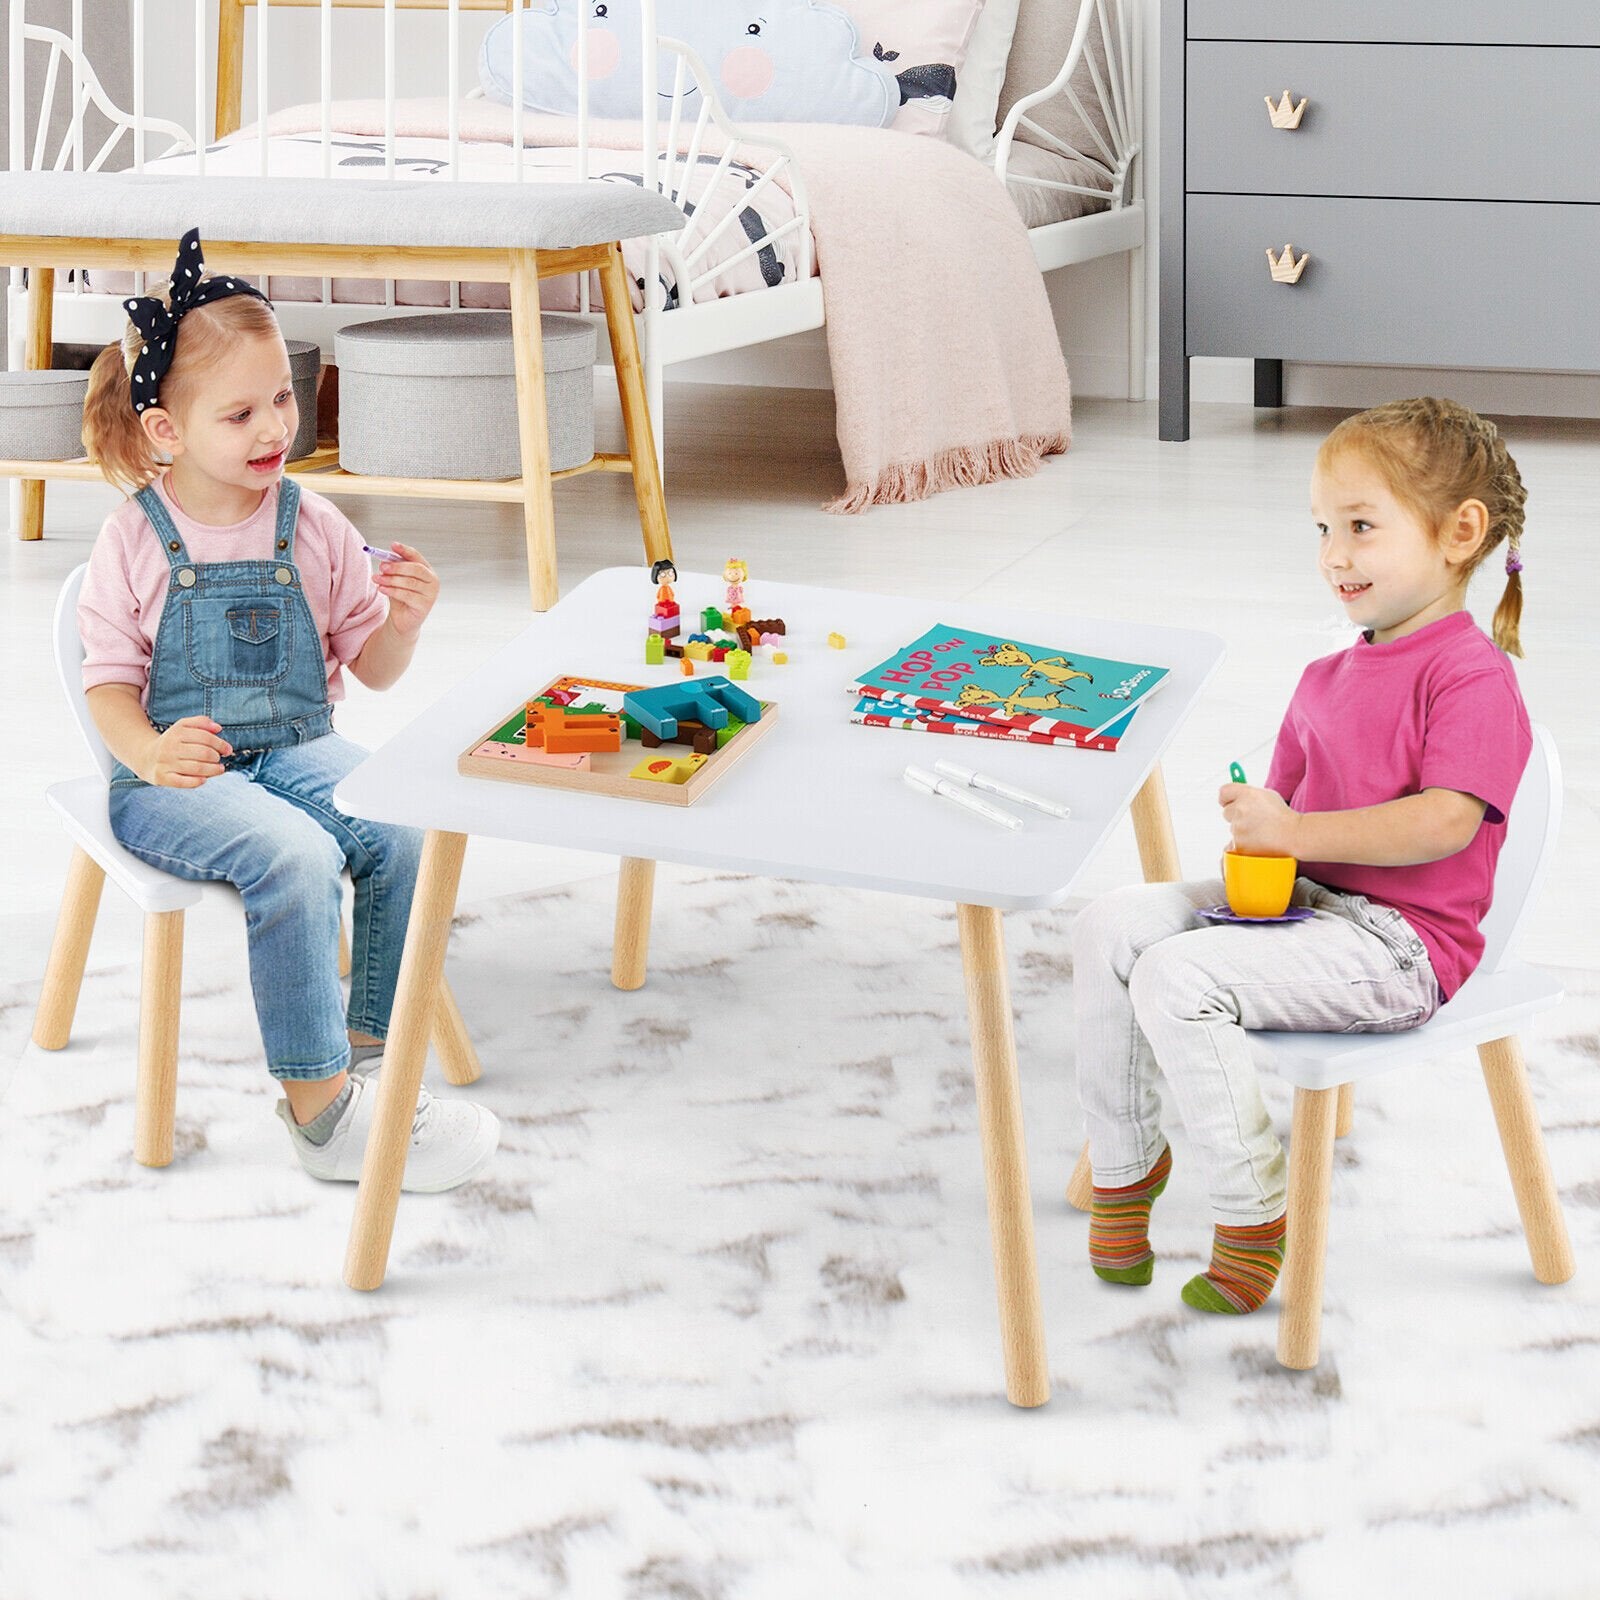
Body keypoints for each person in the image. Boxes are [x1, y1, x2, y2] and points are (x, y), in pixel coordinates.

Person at [1072, 397, 1532, 1313]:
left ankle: (1251, 1214)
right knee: (1111, 922)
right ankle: (1129, 1164)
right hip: (1314, 911)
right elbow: (1285, 818)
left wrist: (1295, 835)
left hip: (1402, 950)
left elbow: (1445, 821)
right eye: (1323, 528)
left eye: (1362, 526)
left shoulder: (1472, 676)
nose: (1333, 553)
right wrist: (1261, 836)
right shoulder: (1325, 674)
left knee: (1176, 980)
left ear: (1460, 533)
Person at [77, 229, 499, 1191]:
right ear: (167, 433)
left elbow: (376, 669)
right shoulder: (134, 538)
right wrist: (146, 753)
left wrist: (403, 621)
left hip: (297, 747)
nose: (274, 428)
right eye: (240, 413)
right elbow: (105, 683)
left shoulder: (312, 523)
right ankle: (319, 1119)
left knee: (400, 821)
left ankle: (367, 1064)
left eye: (281, 398)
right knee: (297, 855)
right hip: (176, 778)